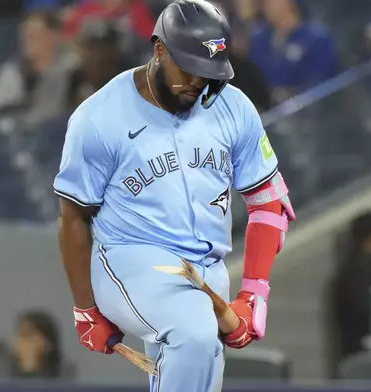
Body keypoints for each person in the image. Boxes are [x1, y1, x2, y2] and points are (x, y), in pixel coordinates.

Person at [53, 1, 295, 391]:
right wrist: (85, 307)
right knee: (193, 333)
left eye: (209, 72)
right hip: (131, 257)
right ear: (159, 49)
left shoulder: (234, 107)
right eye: (190, 68)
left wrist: (254, 293)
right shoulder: (99, 117)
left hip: (208, 268)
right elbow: (73, 217)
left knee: (198, 365)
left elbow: (268, 202)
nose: (199, 82)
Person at [324, 211, 371, 378]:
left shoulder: (360, 268)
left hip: (360, 364)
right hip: (359, 365)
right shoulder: (356, 272)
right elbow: (367, 312)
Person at [10, 310, 62, 379]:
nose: (20, 343)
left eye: (27, 336)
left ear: (47, 343)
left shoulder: (66, 377)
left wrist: (30, 370)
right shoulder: (2, 377)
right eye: (20, 335)